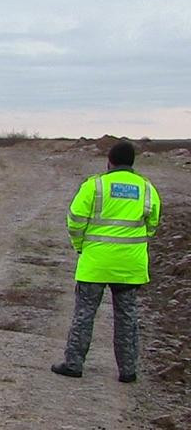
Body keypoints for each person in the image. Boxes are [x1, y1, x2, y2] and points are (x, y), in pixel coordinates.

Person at [52, 140, 161, 382]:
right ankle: (128, 370)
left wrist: (80, 245)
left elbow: (75, 219)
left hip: (95, 264)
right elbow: (153, 224)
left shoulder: (95, 185)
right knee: (127, 318)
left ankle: (74, 364)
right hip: (130, 266)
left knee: (84, 314)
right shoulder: (146, 188)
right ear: (132, 162)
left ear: (109, 161)